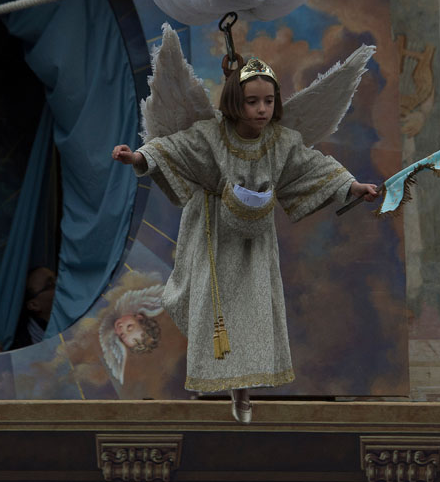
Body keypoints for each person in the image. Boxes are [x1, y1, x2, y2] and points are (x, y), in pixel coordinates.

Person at [111, 55, 378, 423]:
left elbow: (313, 165)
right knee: (210, 305)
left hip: (254, 242)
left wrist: (352, 186)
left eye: (268, 101)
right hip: (212, 233)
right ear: (236, 102)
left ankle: (243, 395)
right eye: (252, 101)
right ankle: (212, 379)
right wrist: (137, 158)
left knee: (249, 312)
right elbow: (170, 148)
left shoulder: (282, 141)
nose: (262, 109)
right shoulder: (210, 134)